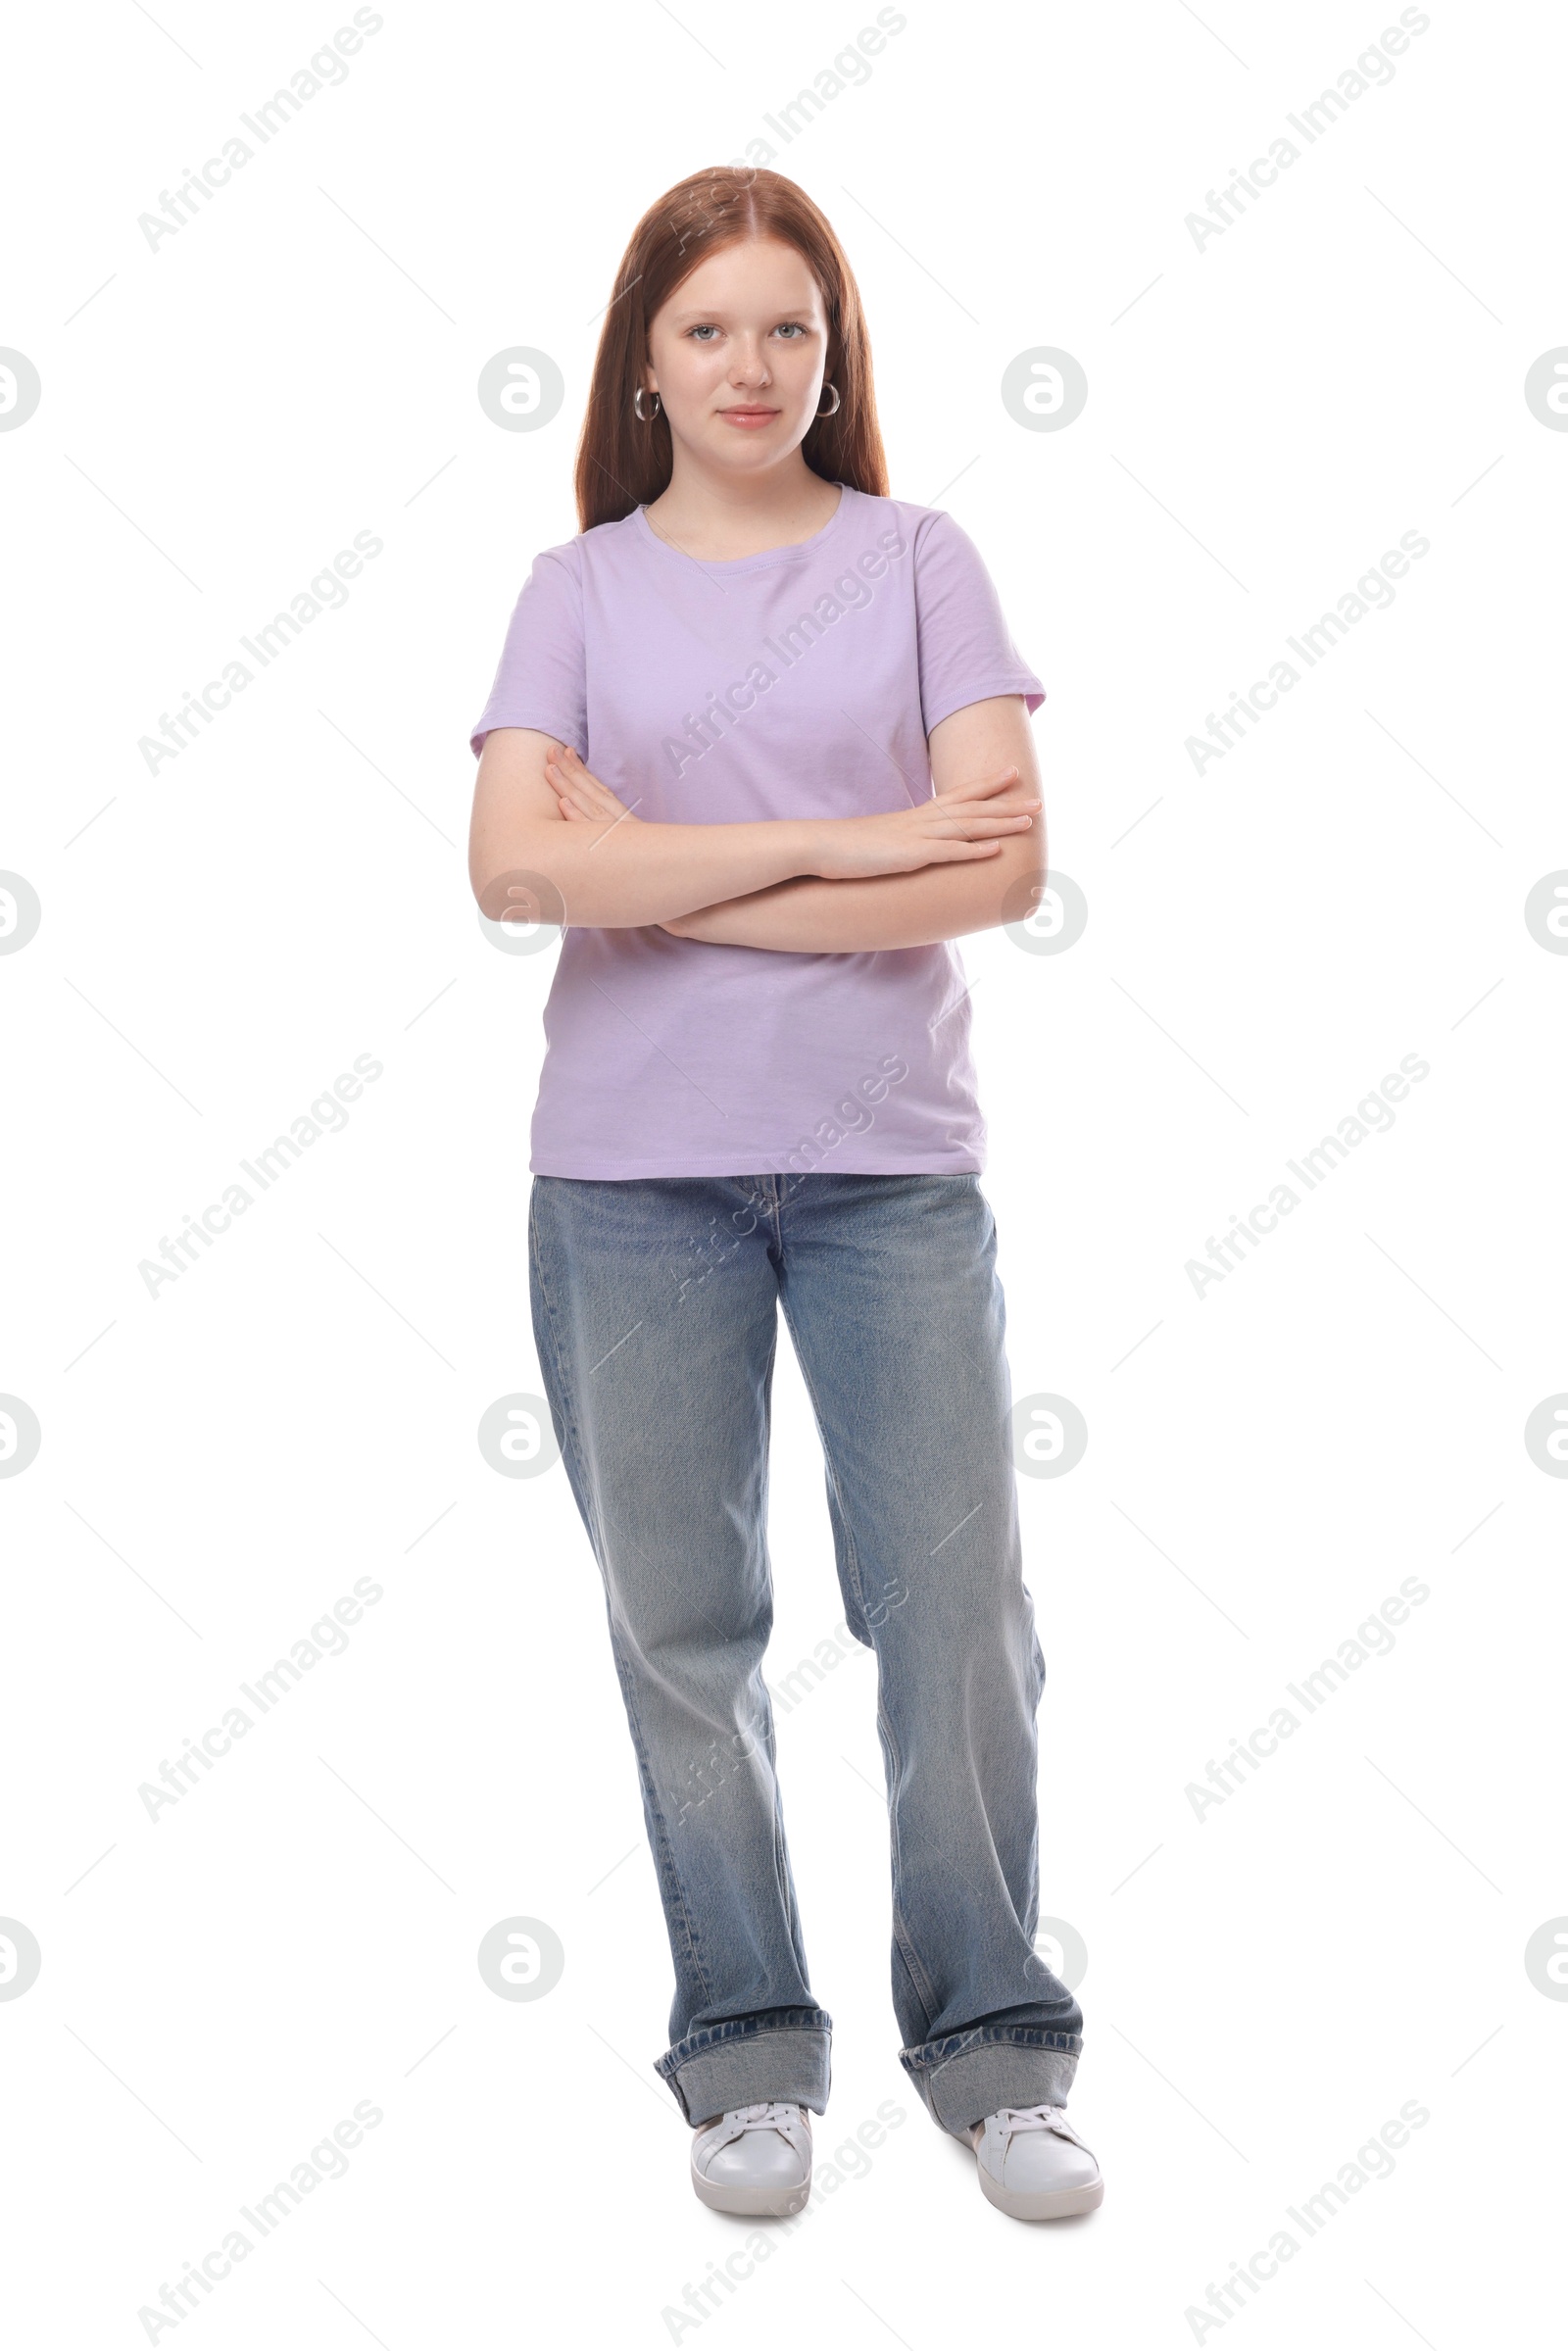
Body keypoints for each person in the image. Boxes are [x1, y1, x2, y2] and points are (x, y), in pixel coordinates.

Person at [466, 166, 1101, 2225]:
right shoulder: (575, 591)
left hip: (883, 1178)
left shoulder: (920, 559)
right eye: (709, 329)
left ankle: (992, 2052)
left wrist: (663, 857)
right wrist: (861, 843)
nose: (755, 367)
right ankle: (743, 2052)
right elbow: (514, 872)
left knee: (949, 1619)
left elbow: (998, 869)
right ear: (642, 363)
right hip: (625, 1182)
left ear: (835, 353)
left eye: (790, 328)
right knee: (682, 1628)